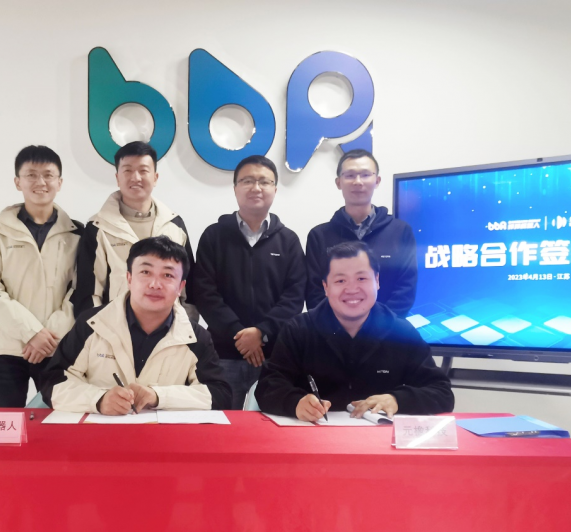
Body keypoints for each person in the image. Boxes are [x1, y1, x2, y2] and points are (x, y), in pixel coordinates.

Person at [257, 241, 453, 421]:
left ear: (377, 280)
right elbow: (267, 387)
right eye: (340, 281)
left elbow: (441, 392)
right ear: (325, 287)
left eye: (361, 278)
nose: (351, 289)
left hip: (380, 441)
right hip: (314, 437)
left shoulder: (401, 333)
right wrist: (295, 403)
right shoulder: (298, 330)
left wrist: (397, 400)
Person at [42, 236, 230, 413]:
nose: (155, 284)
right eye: (146, 272)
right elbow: (53, 382)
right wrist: (99, 400)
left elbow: (220, 395)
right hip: (99, 431)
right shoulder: (93, 323)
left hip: (163, 435)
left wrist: (159, 396)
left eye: (167, 275)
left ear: (180, 287)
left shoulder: (195, 336)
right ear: (129, 278)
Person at [194, 155, 305, 409]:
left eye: (264, 182)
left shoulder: (288, 241)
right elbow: (204, 293)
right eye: (247, 181)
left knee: (270, 423)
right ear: (235, 188)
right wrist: (240, 335)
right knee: (223, 423)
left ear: (275, 189)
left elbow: (294, 297)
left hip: (273, 355)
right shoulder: (214, 236)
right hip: (223, 354)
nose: (256, 187)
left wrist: (261, 333)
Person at [0, 145, 83, 408]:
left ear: (59, 182)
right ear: (18, 182)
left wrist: (48, 336)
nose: (40, 182)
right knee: (4, 426)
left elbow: (80, 290)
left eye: (48, 175)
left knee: (58, 424)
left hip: (56, 346)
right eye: (31, 175)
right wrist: (31, 333)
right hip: (8, 347)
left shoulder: (77, 233)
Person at [74, 141, 196, 317]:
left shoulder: (174, 224)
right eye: (128, 170)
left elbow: (189, 288)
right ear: (118, 178)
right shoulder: (98, 227)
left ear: (155, 177)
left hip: (170, 328)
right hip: (115, 327)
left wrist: (186, 326)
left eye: (143, 171)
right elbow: (89, 292)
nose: (136, 177)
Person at [305, 149, 417, 317]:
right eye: (350, 175)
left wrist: (380, 325)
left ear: (377, 181)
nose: (357, 182)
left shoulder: (400, 231)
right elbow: (315, 292)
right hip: (332, 331)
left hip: (388, 330)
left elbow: (406, 289)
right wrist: (343, 326)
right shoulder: (319, 236)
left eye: (365, 175)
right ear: (338, 182)